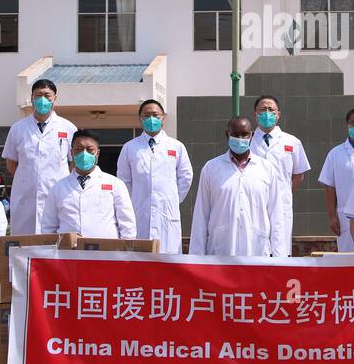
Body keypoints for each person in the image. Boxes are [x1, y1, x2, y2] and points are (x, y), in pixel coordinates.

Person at [189, 116, 284, 256]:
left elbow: (276, 215)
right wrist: (196, 258)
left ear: (251, 135)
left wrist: (279, 256)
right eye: (235, 134)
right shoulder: (211, 168)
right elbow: (201, 215)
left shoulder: (266, 169)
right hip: (221, 252)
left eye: (244, 134)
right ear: (227, 134)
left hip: (257, 251)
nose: (240, 139)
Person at [2, 79, 77, 236]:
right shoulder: (17, 129)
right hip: (25, 196)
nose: (43, 99)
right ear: (32, 98)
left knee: (55, 243)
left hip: (57, 193)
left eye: (47, 95)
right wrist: (28, 179)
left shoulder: (68, 128)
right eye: (39, 95)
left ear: (54, 98)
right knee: (24, 245)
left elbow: (72, 163)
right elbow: (11, 164)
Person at [117, 98, 193, 253]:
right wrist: (134, 201)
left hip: (167, 213)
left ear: (163, 117)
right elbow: (124, 180)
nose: (151, 119)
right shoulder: (130, 147)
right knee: (140, 262)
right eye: (146, 115)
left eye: (155, 115)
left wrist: (171, 198)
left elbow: (185, 176)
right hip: (139, 212)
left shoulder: (176, 146)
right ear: (140, 119)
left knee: (168, 260)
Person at [41, 130, 137, 239]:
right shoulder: (57, 188)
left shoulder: (116, 184)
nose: (84, 154)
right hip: (68, 253)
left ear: (98, 153)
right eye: (79, 149)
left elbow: (127, 225)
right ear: (71, 153)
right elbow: (48, 228)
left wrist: (124, 254)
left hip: (106, 253)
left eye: (90, 149)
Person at [249, 94, 311, 257]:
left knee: (280, 250)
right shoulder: (247, 142)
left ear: (278, 114)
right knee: (255, 251)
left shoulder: (292, 142)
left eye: (271, 110)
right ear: (255, 114)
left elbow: (299, 174)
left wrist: (284, 194)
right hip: (253, 203)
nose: (267, 113)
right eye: (263, 110)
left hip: (282, 205)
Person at [317, 107, 354, 252]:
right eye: (353, 123)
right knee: (349, 256)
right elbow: (329, 186)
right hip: (346, 215)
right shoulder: (335, 153)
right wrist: (332, 216)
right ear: (347, 126)